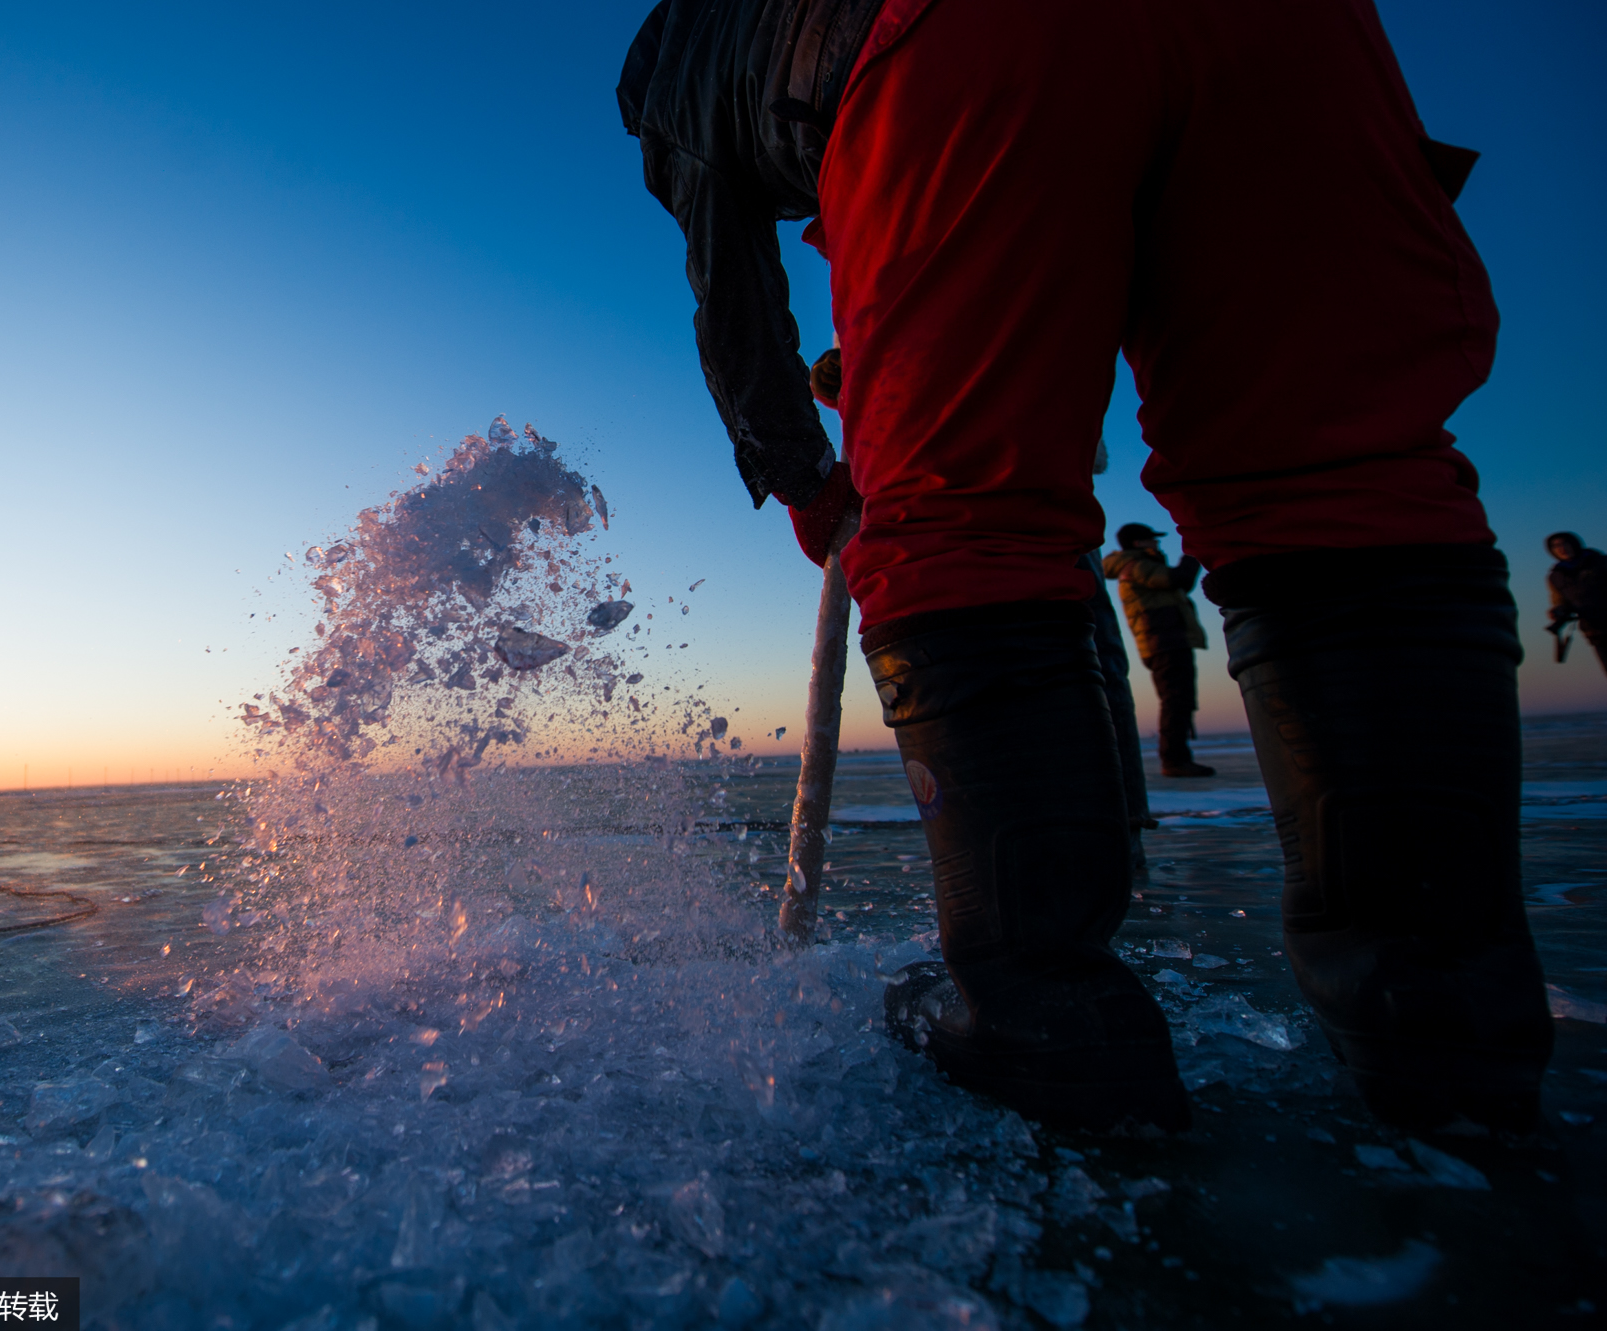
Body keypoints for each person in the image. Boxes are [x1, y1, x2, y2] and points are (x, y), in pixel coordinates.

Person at [621, 0, 1550, 1132]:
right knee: (1334, 473)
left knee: (960, 517)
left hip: (972, 42)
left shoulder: (672, 64)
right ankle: (1441, 1023)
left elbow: (733, 290)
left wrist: (814, 485)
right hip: (1294, 34)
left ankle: (1046, 1028)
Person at [1104, 523, 1214, 778]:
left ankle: (1178, 758)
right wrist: (1193, 553)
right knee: (1176, 699)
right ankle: (1174, 760)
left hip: (1165, 640)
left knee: (1179, 698)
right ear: (1138, 543)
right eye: (1152, 539)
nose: (1157, 543)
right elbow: (1178, 580)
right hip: (1164, 641)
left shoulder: (1139, 564)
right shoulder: (1136, 565)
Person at [1546, 532, 1607, 674]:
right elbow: (1560, 601)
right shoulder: (1556, 576)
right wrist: (1557, 612)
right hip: (1594, 630)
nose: (1561, 548)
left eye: (1564, 543)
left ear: (1574, 544)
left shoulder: (1599, 562)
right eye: (1555, 546)